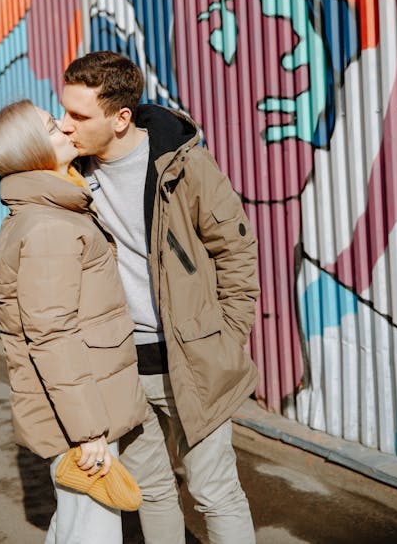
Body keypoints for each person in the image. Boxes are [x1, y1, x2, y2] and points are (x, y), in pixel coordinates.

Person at [61, 51, 261, 544]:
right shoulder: (69, 174)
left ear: (121, 118)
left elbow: (235, 251)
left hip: (192, 359)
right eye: (64, 111)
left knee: (215, 492)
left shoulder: (183, 164)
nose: (65, 126)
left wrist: (226, 338)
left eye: (79, 116)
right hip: (122, 365)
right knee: (150, 491)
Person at [0, 99, 147, 544]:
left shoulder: (51, 208)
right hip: (81, 410)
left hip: (82, 399)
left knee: (77, 521)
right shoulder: (48, 225)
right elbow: (51, 335)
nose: (67, 131)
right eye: (53, 128)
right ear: (33, 153)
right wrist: (88, 430)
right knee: (94, 528)